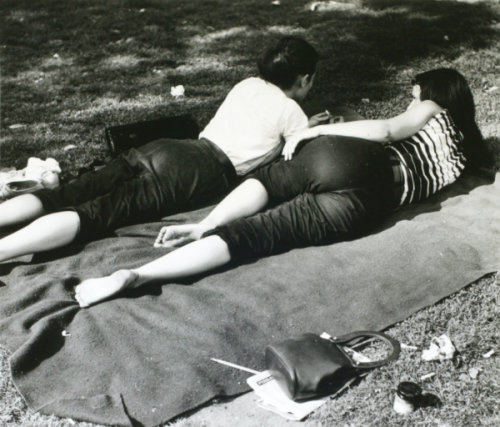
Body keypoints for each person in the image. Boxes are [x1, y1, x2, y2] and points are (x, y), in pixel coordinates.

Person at [74, 68, 492, 308]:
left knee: (268, 182)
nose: (410, 101)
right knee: (259, 235)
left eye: (414, 95)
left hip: (353, 158)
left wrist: (316, 133)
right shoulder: (465, 151)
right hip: (370, 203)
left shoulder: (432, 107)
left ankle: (206, 225)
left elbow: (385, 130)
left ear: (434, 93)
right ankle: (138, 275)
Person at [0, 36, 321, 263]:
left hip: (170, 148)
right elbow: (297, 154)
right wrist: (313, 126)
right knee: (97, 214)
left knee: (67, 193)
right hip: (200, 170)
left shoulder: (248, 84)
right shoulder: (291, 111)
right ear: (304, 79)